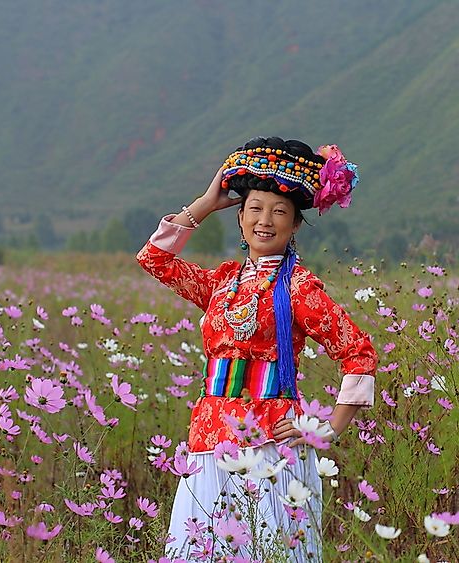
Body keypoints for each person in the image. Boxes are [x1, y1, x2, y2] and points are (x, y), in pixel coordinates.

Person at [136, 136, 377, 561]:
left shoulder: (299, 289)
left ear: (296, 224)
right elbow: (155, 260)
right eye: (255, 209)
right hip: (210, 443)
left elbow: (358, 353)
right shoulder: (222, 282)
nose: (265, 220)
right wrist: (205, 204)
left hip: (273, 449)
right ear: (241, 218)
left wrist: (327, 428)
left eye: (279, 211)